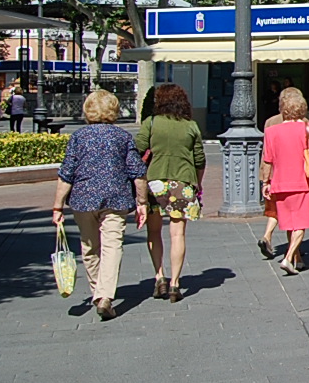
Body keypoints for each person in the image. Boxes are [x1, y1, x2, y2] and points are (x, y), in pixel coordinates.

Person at [51, 89, 148, 320]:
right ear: (113, 110)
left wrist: (57, 206)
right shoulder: (122, 137)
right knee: (112, 245)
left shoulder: (79, 137)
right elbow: (138, 173)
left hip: (83, 199)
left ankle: (98, 292)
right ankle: (105, 295)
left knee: (89, 247)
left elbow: (67, 173)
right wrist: (142, 202)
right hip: (116, 198)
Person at [134, 83, 206, 303]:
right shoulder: (191, 126)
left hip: (155, 181)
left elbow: (137, 148)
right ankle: (175, 283)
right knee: (177, 234)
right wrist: (198, 184)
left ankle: (159, 276)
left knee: (154, 232)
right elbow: (200, 159)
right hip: (183, 182)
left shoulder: (152, 123)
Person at [260, 87, 309, 275]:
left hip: (280, 183)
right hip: (303, 183)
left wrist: (266, 182)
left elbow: (267, 160)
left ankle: (295, 257)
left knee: (289, 223)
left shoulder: (272, 132)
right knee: (300, 224)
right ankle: (288, 258)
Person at [257, 109, 284, 259]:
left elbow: (266, 153)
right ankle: (295, 253)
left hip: (272, 173)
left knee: (274, 210)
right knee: (294, 215)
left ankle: (267, 236)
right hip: (290, 174)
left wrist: (264, 178)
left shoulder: (270, 121)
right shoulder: (302, 124)